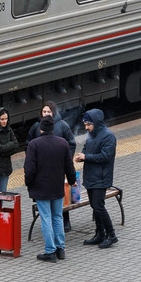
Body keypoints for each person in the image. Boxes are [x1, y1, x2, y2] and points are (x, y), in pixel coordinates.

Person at [25, 116, 77, 262]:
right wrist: (72, 181)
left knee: (46, 218)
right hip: (57, 187)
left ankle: (50, 251)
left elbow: (29, 168)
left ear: (41, 128)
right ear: (53, 128)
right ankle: (61, 249)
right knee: (58, 217)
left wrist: (28, 183)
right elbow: (69, 166)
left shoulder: (34, 145)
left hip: (41, 189)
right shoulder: (62, 143)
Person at [27, 102, 77, 232]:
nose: (46, 114)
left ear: (53, 112)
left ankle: (66, 221)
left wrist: (66, 159)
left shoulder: (62, 126)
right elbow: (29, 144)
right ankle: (55, 230)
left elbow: (71, 143)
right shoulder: (36, 127)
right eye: (44, 112)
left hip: (58, 169)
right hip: (42, 170)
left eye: (48, 112)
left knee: (61, 196)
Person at [74, 108, 118, 248]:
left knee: (98, 206)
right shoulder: (91, 134)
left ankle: (111, 235)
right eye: (85, 125)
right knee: (94, 205)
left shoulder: (108, 136)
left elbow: (106, 156)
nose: (86, 127)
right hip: (91, 176)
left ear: (96, 123)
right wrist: (82, 155)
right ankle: (100, 233)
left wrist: (86, 157)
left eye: (88, 124)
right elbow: (87, 148)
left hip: (101, 177)